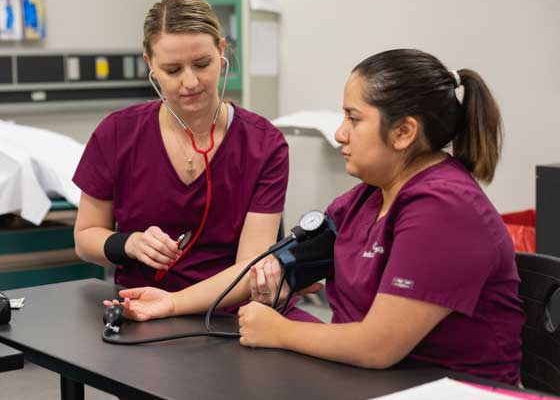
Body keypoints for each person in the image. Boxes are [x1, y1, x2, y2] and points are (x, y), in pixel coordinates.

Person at [107, 49, 524, 385]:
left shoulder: (444, 209)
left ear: (403, 132)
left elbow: (378, 346)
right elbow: (267, 268)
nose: (341, 133)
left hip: (445, 389)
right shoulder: (365, 199)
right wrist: (172, 303)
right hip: (373, 381)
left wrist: (279, 331)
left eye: (353, 118)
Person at [73, 0, 289, 296]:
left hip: (229, 312)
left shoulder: (264, 145)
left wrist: (172, 304)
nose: (190, 82)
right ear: (150, 64)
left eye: (202, 64)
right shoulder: (117, 134)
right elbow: (85, 238)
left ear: (222, 50)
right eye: (172, 70)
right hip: (138, 306)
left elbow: (249, 268)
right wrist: (130, 244)